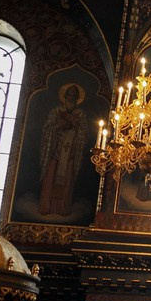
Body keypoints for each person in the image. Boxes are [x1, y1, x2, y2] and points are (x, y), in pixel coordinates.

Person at [39, 83, 88, 216]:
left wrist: (75, 128)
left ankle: (63, 208)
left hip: (70, 152)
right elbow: (48, 129)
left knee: (67, 180)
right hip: (55, 151)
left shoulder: (80, 114)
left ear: (77, 98)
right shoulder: (56, 111)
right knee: (51, 178)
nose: (71, 98)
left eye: (74, 96)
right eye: (69, 95)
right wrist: (59, 126)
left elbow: (83, 133)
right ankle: (46, 207)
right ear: (64, 96)